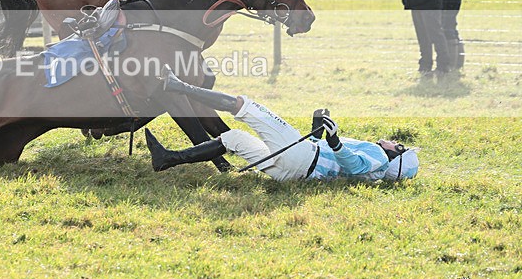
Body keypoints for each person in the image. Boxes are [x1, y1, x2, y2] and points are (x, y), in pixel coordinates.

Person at [143, 67, 419, 181]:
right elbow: (335, 162)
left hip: (300, 158)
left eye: (400, 146)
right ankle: (168, 159)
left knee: (245, 106)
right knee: (234, 138)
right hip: (293, 173)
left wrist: (334, 141)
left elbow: (353, 165)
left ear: (396, 154)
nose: (394, 142)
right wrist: (318, 131)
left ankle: (179, 86)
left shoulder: (379, 157)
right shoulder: (378, 165)